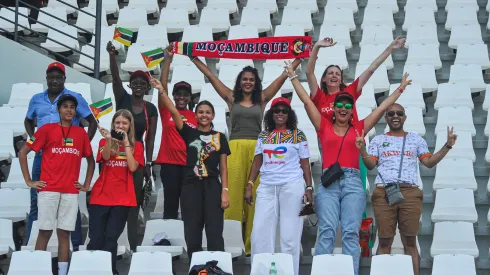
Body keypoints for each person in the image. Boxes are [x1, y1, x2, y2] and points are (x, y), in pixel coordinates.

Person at [286, 61, 412, 275]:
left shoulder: (360, 128)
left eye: (347, 106)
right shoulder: (323, 126)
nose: (343, 109)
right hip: (329, 183)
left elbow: (382, 109)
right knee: (326, 232)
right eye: (340, 106)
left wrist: (400, 88)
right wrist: (292, 77)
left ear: (350, 110)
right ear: (333, 110)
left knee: (350, 233)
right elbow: (307, 101)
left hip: (353, 182)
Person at [190, 54, 302, 255]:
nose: (248, 82)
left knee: (255, 200)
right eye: (245, 79)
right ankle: (231, 245)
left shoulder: (262, 98)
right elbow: (211, 75)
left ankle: (252, 247)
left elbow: (283, 76)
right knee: (231, 197)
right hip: (234, 148)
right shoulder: (231, 98)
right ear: (239, 83)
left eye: (251, 79)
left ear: (256, 83)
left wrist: (301, 56)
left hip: (259, 150)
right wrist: (193, 58)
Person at [360, 103, 457, 275]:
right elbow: (370, 165)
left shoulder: (416, 139)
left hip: (410, 193)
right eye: (391, 113)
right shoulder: (378, 140)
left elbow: (428, 163)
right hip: (384, 193)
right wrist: (362, 150)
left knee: (410, 242)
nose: (395, 116)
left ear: (404, 117)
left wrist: (447, 146)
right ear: (386, 118)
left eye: (399, 113)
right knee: (384, 241)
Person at [307, 37, 406, 197]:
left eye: (337, 74)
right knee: (331, 190)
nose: (334, 76)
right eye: (330, 73)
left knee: (355, 191)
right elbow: (309, 72)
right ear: (324, 79)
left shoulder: (349, 92)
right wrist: (317, 47)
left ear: (341, 79)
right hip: (331, 145)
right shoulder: (319, 97)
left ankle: (359, 220)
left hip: (355, 144)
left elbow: (371, 70)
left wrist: (390, 48)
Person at [151, 77, 230, 260]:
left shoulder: (220, 137)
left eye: (208, 112)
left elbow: (224, 168)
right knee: (192, 231)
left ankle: (215, 266)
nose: (204, 115)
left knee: (214, 231)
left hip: (212, 186)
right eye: (200, 112)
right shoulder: (188, 132)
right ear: (196, 115)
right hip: (190, 186)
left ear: (213, 116)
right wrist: (161, 90)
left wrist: (224, 191)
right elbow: (171, 109)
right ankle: (195, 267)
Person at [19, 94, 95, 275]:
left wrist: (85, 185)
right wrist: (29, 181)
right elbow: (23, 153)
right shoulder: (45, 129)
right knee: (44, 232)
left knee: (64, 235)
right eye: (65, 106)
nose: (69, 110)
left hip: (70, 192)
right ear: (58, 109)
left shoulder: (81, 134)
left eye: (72, 107)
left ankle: (62, 273)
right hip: (48, 190)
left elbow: (91, 161)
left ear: (75, 111)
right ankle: (37, 271)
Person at [24, 62, 97, 250]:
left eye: (58, 77)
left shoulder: (73, 99)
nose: (54, 80)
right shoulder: (36, 99)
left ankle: (75, 244)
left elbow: (92, 122)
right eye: (51, 77)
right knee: (35, 199)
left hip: (65, 156)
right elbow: (28, 119)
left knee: (71, 200)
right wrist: (34, 139)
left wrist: (82, 146)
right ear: (46, 78)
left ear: (64, 78)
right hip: (43, 155)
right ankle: (31, 242)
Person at [245, 97, 313, 275]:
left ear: (289, 114)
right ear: (271, 113)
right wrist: (250, 184)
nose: (280, 113)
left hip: (292, 185)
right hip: (267, 187)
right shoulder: (264, 135)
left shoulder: (298, 135)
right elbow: (257, 162)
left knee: (289, 238)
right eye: (277, 110)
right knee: (259, 235)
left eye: (284, 110)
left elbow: (305, 164)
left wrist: (309, 187)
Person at [106, 41, 158, 250]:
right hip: (117, 154)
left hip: (137, 157)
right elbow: (116, 79)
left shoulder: (150, 108)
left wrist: (149, 163)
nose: (138, 85)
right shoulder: (122, 99)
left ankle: (133, 244)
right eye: (135, 82)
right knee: (115, 200)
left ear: (147, 87)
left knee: (133, 203)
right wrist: (112, 56)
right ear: (131, 85)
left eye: (142, 83)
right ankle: (113, 242)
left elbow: (151, 138)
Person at [87, 110, 145, 275]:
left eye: (124, 123)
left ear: (129, 126)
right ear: (113, 124)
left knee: (111, 239)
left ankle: (109, 270)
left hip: (123, 199)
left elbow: (133, 167)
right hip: (101, 196)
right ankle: (92, 269)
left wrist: (126, 143)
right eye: (117, 123)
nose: (120, 126)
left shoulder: (137, 145)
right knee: (96, 238)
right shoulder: (104, 142)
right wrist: (108, 140)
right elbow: (105, 157)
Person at [155, 49, 197, 219]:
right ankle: (168, 238)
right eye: (178, 94)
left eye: (185, 94)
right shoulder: (166, 110)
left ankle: (188, 238)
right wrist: (168, 61)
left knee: (188, 204)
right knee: (170, 204)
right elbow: (162, 87)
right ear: (172, 96)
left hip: (188, 166)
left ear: (189, 98)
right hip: (169, 165)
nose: (181, 97)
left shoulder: (195, 116)